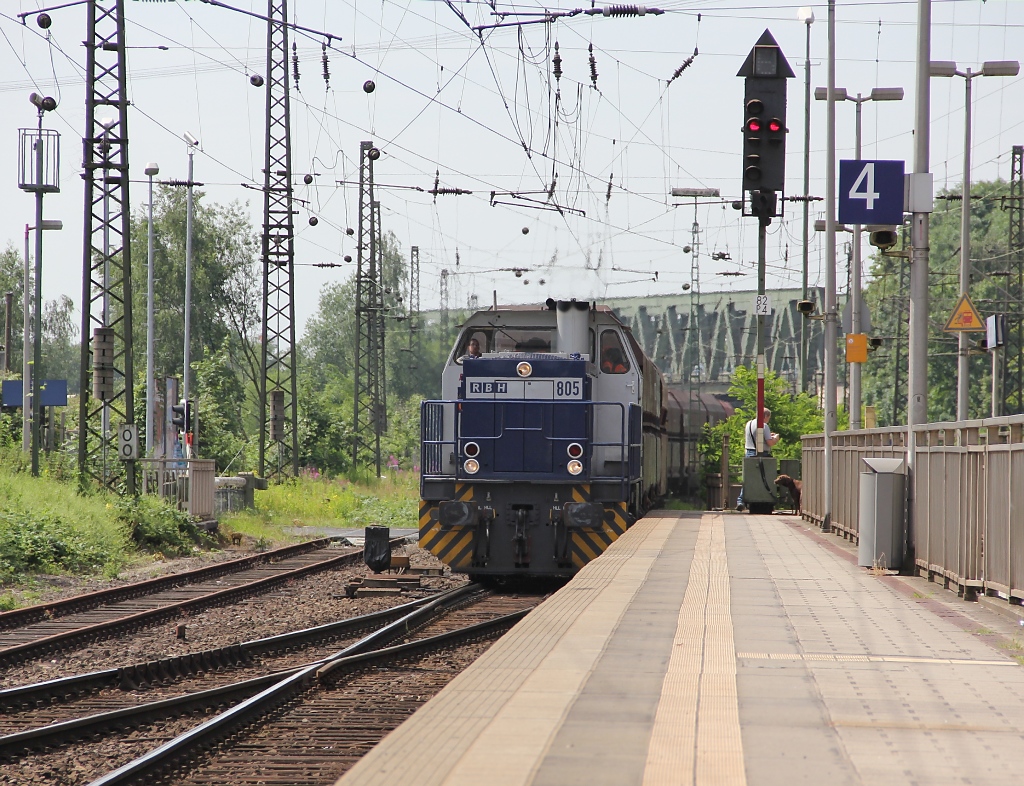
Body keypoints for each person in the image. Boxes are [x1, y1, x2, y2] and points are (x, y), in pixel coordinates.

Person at [736, 408, 780, 511]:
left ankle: (740, 500)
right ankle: (766, 497)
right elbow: (770, 443)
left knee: (748, 479)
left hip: (748, 452)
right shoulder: (764, 426)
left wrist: (769, 436)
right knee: (764, 477)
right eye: (768, 418)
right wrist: (776, 438)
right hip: (761, 454)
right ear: (766, 416)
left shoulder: (749, 424)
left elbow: (758, 437)